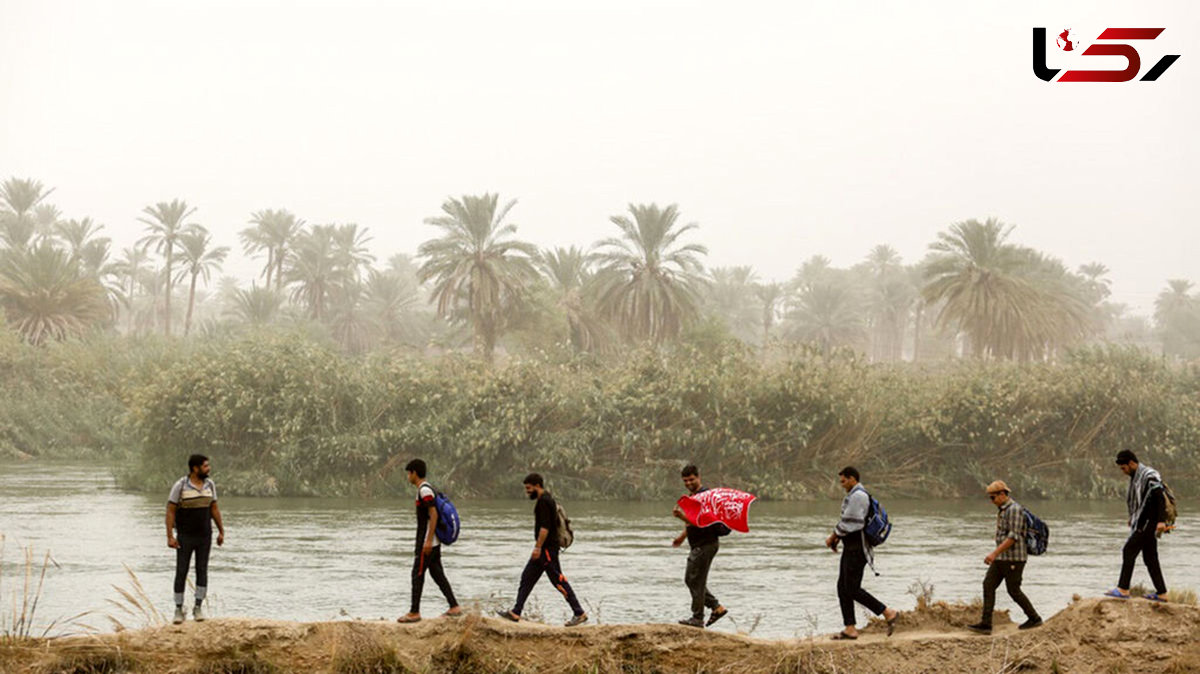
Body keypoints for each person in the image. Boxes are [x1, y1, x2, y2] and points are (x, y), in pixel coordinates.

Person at [496, 473, 588, 627]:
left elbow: (545, 528)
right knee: (527, 578)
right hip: (544, 550)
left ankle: (579, 613)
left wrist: (538, 547)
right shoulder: (546, 499)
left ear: (537, 485)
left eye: (529, 488)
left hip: (547, 550)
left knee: (558, 581)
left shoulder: (544, 502)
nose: (527, 491)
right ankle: (516, 612)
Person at [823, 466, 897, 640]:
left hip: (858, 549)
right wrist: (839, 539)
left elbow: (853, 523)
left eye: (843, 481)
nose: (842, 485)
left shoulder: (858, 496)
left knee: (852, 589)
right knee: (843, 587)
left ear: (852, 479)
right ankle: (850, 628)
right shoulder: (855, 495)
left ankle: (888, 612)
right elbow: (849, 523)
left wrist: (833, 536)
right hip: (852, 547)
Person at [967, 481, 1042, 633]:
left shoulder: (1014, 509)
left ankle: (1034, 618)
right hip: (1002, 557)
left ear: (1002, 494)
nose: (991, 501)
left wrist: (994, 553)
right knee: (988, 585)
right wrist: (997, 554)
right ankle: (986, 624)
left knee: (1013, 590)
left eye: (993, 498)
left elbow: (1013, 536)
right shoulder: (1003, 509)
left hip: (1014, 558)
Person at [397, 459, 461, 623]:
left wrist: (427, 541)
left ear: (414, 473)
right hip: (433, 542)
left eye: (408, 473)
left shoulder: (424, 491)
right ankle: (454, 606)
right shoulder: (426, 488)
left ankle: (414, 612)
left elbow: (434, 515)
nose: (408, 477)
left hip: (429, 543)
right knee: (437, 574)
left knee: (417, 574)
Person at [166, 454, 224, 624]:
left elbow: (214, 508)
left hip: (205, 535)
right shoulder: (181, 486)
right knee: (181, 571)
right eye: (205, 466)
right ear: (195, 468)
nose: (209, 469)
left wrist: (221, 531)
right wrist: (170, 536)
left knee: (202, 570)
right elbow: (170, 510)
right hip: (185, 536)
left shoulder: (209, 484)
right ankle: (178, 608)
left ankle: (198, 607)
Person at [1105, 450, 1170, 602]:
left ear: (1132, 463)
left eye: (1124, 468)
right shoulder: (1136, 478)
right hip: (1143, 521)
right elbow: (1138, 501)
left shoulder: (1149, 476)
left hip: (1148, 522)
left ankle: (1123, 589)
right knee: (1150, 558)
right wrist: (1133, 517)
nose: (1123, 471)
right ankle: (1162, 593)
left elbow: (1159, 497)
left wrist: (1161, 521)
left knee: (1129, 550)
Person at [671, 464, 729, 628]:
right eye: (685, 480)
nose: (688, 483)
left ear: (698, 477)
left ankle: (698, 618)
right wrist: (682, 537)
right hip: (698, 544)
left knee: (696, 580)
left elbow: (701, 522)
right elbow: (692, 523)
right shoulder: (694, 496)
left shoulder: (705, 497)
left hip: (706, 544)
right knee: (691, 580)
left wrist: (681, 516)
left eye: (691, 479)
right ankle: (716, 608)